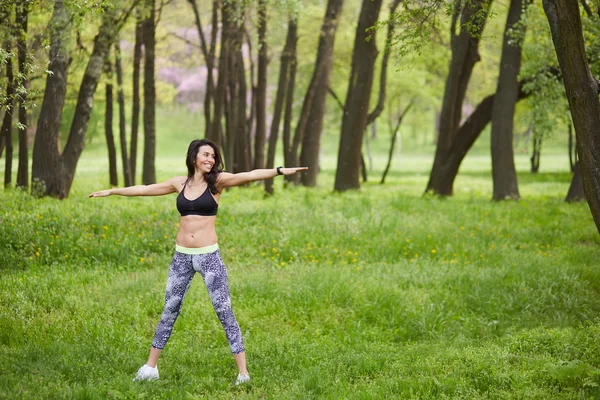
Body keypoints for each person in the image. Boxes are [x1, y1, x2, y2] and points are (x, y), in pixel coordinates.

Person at [89, 139, 307, 385]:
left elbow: (249, 175)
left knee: (224, 312)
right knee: (169, 311)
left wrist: (278, 171)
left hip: (209, 256)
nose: (211, 160)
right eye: (206, 154)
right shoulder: (178, 183)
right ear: (194, 156)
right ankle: (150, 368)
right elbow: (145, 189)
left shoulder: (217, 182)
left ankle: (243, 374)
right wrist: (112, 191)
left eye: (213, 156)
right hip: (181, 257)